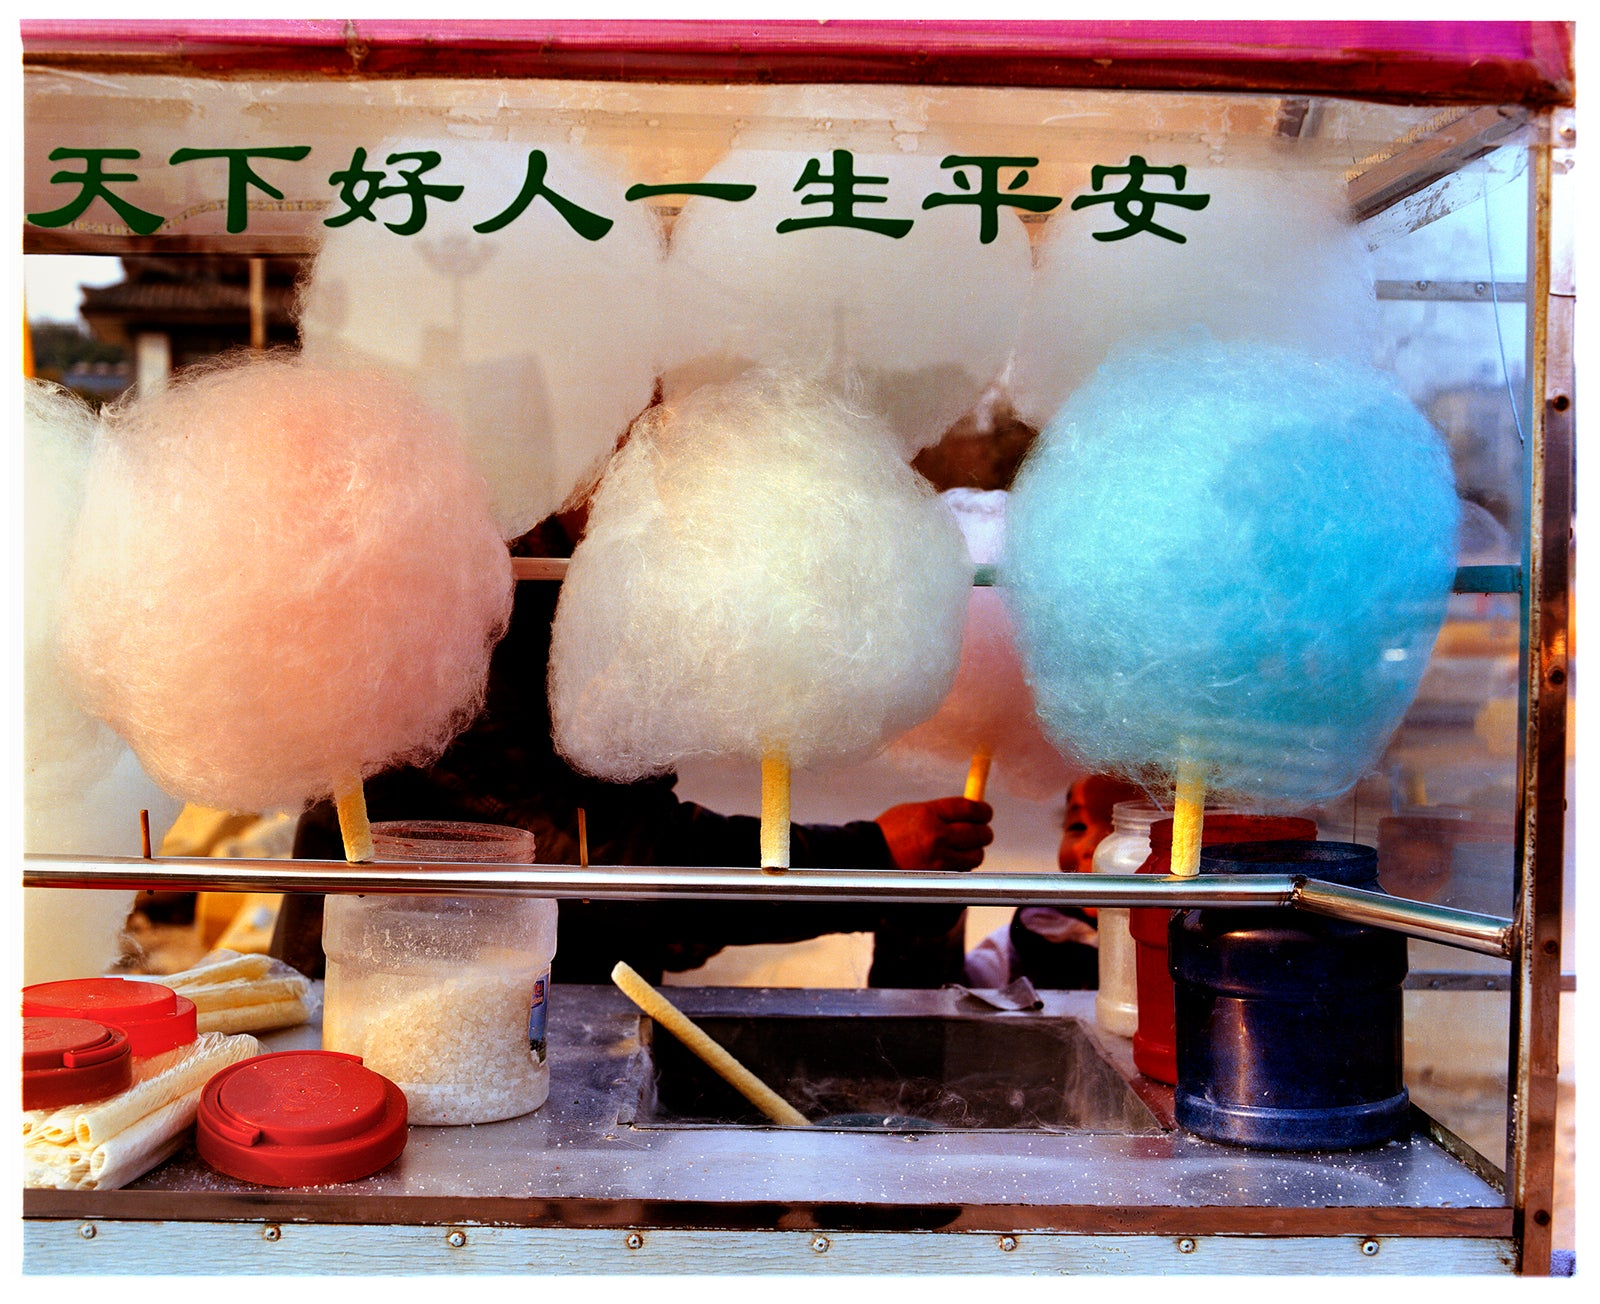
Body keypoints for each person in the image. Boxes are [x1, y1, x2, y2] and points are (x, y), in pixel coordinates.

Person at [275, 510, 994, 986]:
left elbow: (620, 827)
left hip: (539, 999)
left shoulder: (597, 571)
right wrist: (869, 859)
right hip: (397, 1007)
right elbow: (588, 854)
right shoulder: (470, 582)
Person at [962, 773, 1143, 989]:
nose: (1093, 848)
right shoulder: (1036, 926)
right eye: (1078, 827)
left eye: (1124, 829)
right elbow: (969, 982)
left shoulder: (1188, 934)